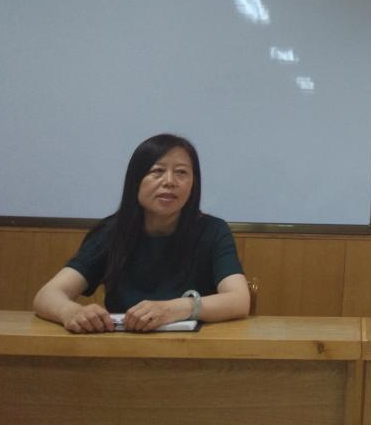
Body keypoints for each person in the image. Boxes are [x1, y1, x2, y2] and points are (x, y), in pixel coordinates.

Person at [34, 133, 250, 333]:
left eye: (181, 172)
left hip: (195, 349)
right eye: (157, 171)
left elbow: (239, 300)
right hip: (123, 348)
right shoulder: (112, 232)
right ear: (135, 180)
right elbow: (47, 295)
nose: (169, 181)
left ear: (194, 184)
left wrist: (175, 308)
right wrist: (71, 312)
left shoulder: (213, 231)